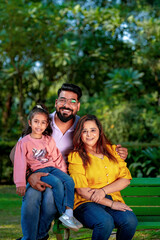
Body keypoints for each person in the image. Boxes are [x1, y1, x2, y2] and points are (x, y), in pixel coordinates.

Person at [10, 83, 128, 240]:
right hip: (38, 174)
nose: (66, 105)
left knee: (51, 195)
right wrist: (29, 175)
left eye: (72, 101)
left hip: (65, 182)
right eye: (62, 100)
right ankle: (32, 237)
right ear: (56, 102)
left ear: (78, 106)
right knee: (32, 195)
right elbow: (15, 153)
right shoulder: (42, 122)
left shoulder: (82, 126)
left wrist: (119, 152)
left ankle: (39, 236)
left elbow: (99, 147)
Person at [14, 104, 83, 233]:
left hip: (52, 168)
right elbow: (20, 163)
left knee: (69, 181)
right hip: (39, 171)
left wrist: (62, 174)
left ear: (47, 125)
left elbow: (57, 158)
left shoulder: (48, 140)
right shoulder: (24, 142)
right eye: (36, 122)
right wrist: (20, 183)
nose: (39, 125)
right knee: (56, 183)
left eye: (43, 123)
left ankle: (69, 213)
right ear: (30, 123)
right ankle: (63, 214)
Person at [68, 114, 138, 240]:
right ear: (80, 134)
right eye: (84, 131)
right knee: (105, 222)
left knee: (130, 221)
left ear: (100, 131)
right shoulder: (76, 156)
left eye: (93, 130)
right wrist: (111, 204)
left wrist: (103, 191)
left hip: (112, 198)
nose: (89, 134)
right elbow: (82, 190)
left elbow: (125, 179)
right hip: (85, 203)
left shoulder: (113, 151)